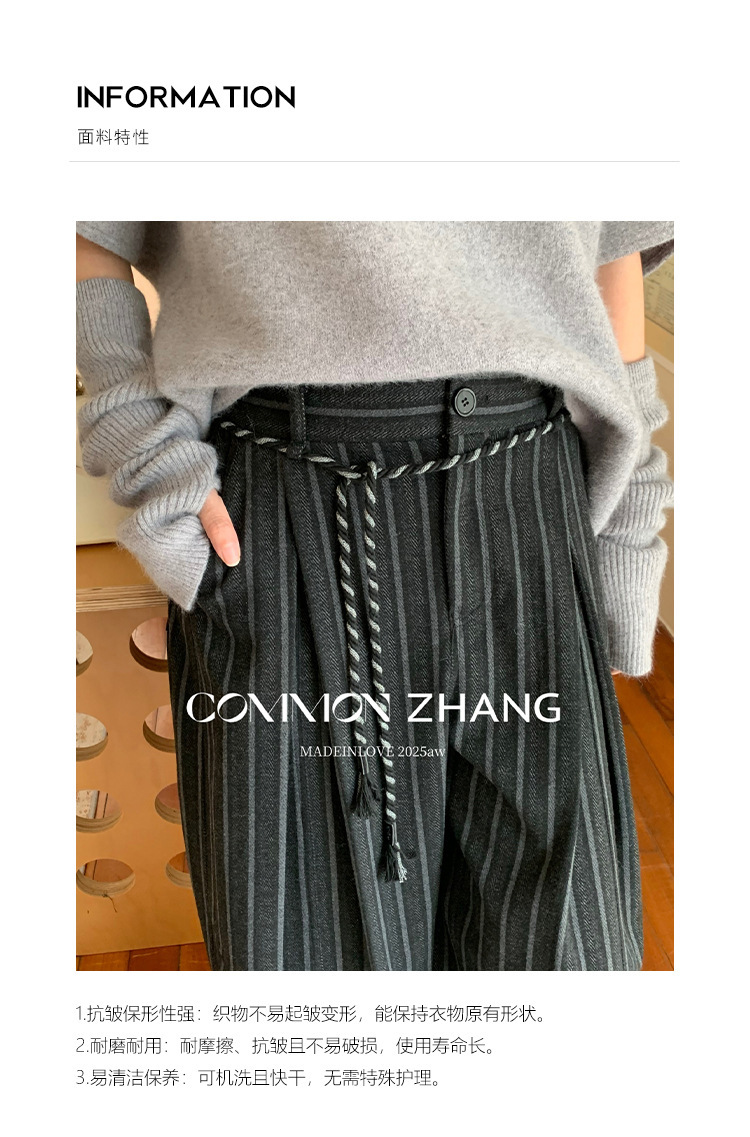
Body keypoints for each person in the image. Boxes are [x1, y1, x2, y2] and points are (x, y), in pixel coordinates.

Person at [76, 221, 674, 971]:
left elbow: (613, 243)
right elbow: (80, 219)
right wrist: (143, 446)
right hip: (289, 509)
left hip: (531, 502)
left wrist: (627, 520)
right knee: (317, 984)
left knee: (572, 963)